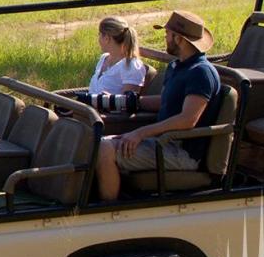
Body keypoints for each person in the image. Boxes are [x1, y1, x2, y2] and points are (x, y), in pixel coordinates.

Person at [95, 10, 223, 201]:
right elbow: (165, 101)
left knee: (104, 149)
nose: (165, 37)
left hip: (181, 151)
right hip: (162, 141)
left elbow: (188, 119)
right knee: (94, 141)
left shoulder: (201, 73)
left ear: (178, 39)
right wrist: (128, 102)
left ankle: (108, 209)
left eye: (167, 34)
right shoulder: (177, 66)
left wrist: (140, 133)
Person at [86, 15, 148, 108]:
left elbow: (128, 103)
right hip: (88, 112)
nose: (98, 39)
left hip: (106, 119)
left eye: (99, 35)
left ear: (107, 38)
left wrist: (109, 100)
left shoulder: (131, 65)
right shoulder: (104, 58)